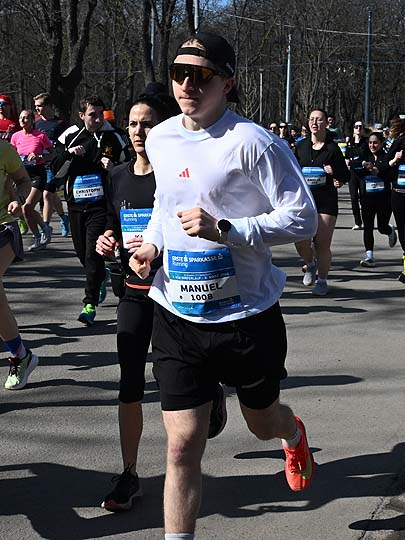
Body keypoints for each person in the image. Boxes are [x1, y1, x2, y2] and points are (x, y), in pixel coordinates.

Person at [129, 32, 318, 539]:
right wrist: (152, 247)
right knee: (180, 447)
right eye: (180, 73)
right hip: (177, 313)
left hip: (246, 318)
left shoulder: (254, 142)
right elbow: (165, 205)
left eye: (203, 75)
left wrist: (228, 230)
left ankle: (292, 432)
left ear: (227, 83)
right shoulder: (161, 137)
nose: (188, 84)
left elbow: (303, 217)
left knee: (262, 423)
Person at [95, 93, 173, 511]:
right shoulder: (118, 176)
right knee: (130, 383)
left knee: (172, 381)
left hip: (173, 294)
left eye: (147, 123)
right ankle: (129, 473)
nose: (139, 131)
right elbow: (112, 224)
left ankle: (209, 393)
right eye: (133, 123)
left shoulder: (175, 176)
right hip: (133, 292)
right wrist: (107, 240)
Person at [51, 96, 130, 325]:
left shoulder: (114, 136)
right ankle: (100, 276)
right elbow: (56, 170)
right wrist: (69, 154)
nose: (97, 119)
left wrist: (114, 167)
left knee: (92, 254)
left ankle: (89, 305)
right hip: (76, 204)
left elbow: (130, 166)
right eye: (92, 115)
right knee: (81, 253)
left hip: (100, 206)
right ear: (81, 115)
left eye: (100, 114)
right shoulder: (70, 135)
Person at [295, 109, 350, 295]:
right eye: (311, 119)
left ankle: (322, 281)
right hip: (304, 202)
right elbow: (291, 171)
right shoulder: (301, 146)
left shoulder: (332, 149)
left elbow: (345, 175)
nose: (314, 123)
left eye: (319, 120)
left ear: (326, 123)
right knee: (301, 241)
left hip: (326, 201)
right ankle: (310, 264)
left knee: (322, 244)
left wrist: (334, 172)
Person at [1, 140, 39, 389]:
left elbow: (24, 180)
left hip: (3, 225)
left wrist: (20, 199)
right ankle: (21, 355)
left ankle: (20, 355)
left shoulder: (3, 149)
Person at [350, 132, 397, 267]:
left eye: (375, 143)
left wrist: (379, 171)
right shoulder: (365, 156)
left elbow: (392, 174)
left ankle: (390, 231)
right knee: (368, 227)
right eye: (370, 142)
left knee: (381, 227)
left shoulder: (386, 157)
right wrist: (364, 164)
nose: (372, 145)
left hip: (384, 199)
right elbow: (352, 164)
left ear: (381, 143)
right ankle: (369, 257)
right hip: (367, 198)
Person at [10, 109, 54, 251]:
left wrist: (40, 157)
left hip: (37, 175)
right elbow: (12, 155)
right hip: (23, 176)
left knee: (27, 207)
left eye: (26, 118)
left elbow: (52, 153)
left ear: (32, 120)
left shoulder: (40, 135)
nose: (22, 120)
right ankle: (39, 236)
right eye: (21, 118)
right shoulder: (15, 136)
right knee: (25, 210)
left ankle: (44, 229)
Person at [34, 93, 70, 237]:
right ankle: (63, 217)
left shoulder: (60, 124)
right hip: (38, 165)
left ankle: (45, 228)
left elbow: (68, 143)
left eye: (40, 106)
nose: (37, 109)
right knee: (51, 195)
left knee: (47, 194)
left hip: (54, 165)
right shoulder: (35, 124)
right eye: (36, 106)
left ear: (49, 106)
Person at [377, 117, 405, 282]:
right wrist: (394, 161)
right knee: (402, 230)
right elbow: (383, 169)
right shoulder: (398, 144)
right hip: (399, 193)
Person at [345, 121, 368, 230]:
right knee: (354, 198)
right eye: (356, 126)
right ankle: (358, 222)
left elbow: (367, 157)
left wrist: (364, 163)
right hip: (353, 173)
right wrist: (347, 161)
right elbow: (347, 157)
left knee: (364, 198)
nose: (358, 128)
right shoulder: (350, 142)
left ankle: (367, 221)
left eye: (360, 127)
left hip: (363, 173)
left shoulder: (366, 142)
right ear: (353, 129)